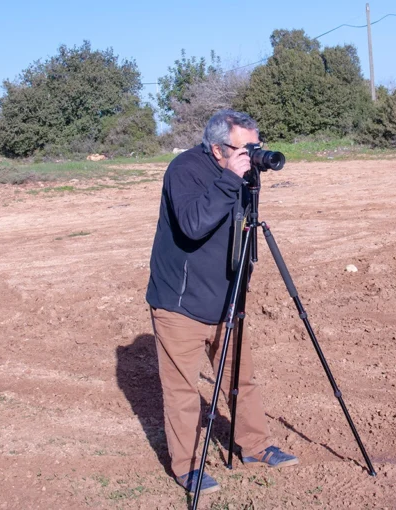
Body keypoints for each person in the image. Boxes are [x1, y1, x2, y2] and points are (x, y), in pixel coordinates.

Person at [145, 110, 298, 496]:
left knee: (240, 379)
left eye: (256, 147)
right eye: (245, 149)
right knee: (182, 390)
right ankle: (188, 467)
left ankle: (255, 445)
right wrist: (231, 177)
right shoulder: (184, 170)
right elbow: (194, 224)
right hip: (181, 302)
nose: (253, 156)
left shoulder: (242, 172)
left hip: (228, 300)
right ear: (217, 149)